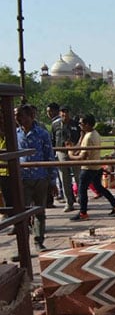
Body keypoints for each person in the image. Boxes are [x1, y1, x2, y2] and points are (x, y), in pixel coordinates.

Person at [15, 104, 58, 250]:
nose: (20, 120)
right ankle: (23, 246)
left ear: (31, 117)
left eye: (23, 117)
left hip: (40, 177)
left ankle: (38, 241)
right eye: (18, 117)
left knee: (39, 211)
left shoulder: (42, 133)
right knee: (23, 213)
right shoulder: (15, 134)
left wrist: (52, 179)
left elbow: (49, 156)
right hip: (23, 178)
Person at [67, 114, 115, 221]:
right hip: (96, 166)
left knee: (82, 190)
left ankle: (83, 213)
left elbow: (83, 156)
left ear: (87, 124)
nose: (80, 125)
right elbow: (82, 147)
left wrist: (70, 155)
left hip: (88, 167)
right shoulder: (95, 133)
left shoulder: (88, 137)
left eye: (81, 123)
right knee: (99, 187)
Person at [51, 104, 82, 213]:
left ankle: (81, 199)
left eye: (66, 112)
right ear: (59, 113)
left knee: (78, 176)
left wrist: (77, 148)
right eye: (62, 112)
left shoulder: (75, 124)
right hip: (61, 152)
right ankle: (69, 202)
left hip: (74, 152)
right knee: (64, 178)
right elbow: (53, 139)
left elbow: (80, 137)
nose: (65, 114)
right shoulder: (55, 125)